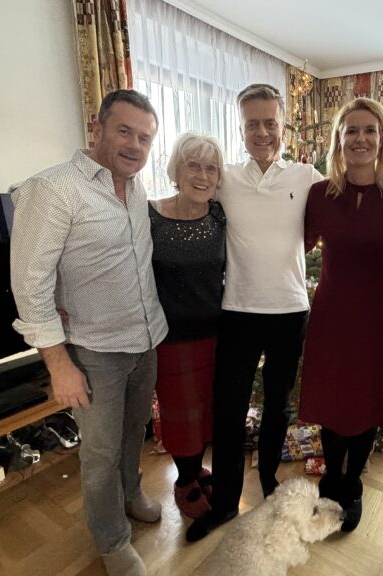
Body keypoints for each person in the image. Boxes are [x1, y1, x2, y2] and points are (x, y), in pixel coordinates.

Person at [10, 89, 167, 576]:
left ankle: (131, 493)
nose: (135, 145)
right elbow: (30, 284)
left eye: (145, 137)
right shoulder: (52, 189)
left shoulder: (136, 187)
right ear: (96, 127)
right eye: (124, 131)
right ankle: (111, 540)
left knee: (133, 434)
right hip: (94, 351)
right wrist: (59, 364)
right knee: (99, 454)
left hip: (145, 339)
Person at [186, 83, 324, 543]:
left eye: (270, 123)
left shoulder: (307, 177)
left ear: (283, 126)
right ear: (241, 128)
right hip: (238, 311)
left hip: (290, 310)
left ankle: (267, 481)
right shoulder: (225, 178)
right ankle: (226, 501)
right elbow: (186, 196)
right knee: (228, 408)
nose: (261, 132)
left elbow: (347, 206)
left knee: (277, 406)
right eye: (252, 124)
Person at [298, 97, 383, 532]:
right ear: (339, 138)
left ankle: (352, 485)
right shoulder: (319, 195)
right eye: (351, 130)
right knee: (334, 400)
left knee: (369, 400)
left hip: (381, 318)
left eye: (370, 130)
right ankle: (331, 479)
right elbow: (294, 243)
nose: (361, 138)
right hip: (333, 315)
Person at [148, 132, 226, 519]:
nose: (203, 175)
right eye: (193, 165)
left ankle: (198, 471)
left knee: (209, 412)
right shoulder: (150, 215)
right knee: (182, 417)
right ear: (175, 170)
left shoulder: (219, 216)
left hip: (218, 335)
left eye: (211, 168)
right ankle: (184, 481)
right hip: (172, 340)